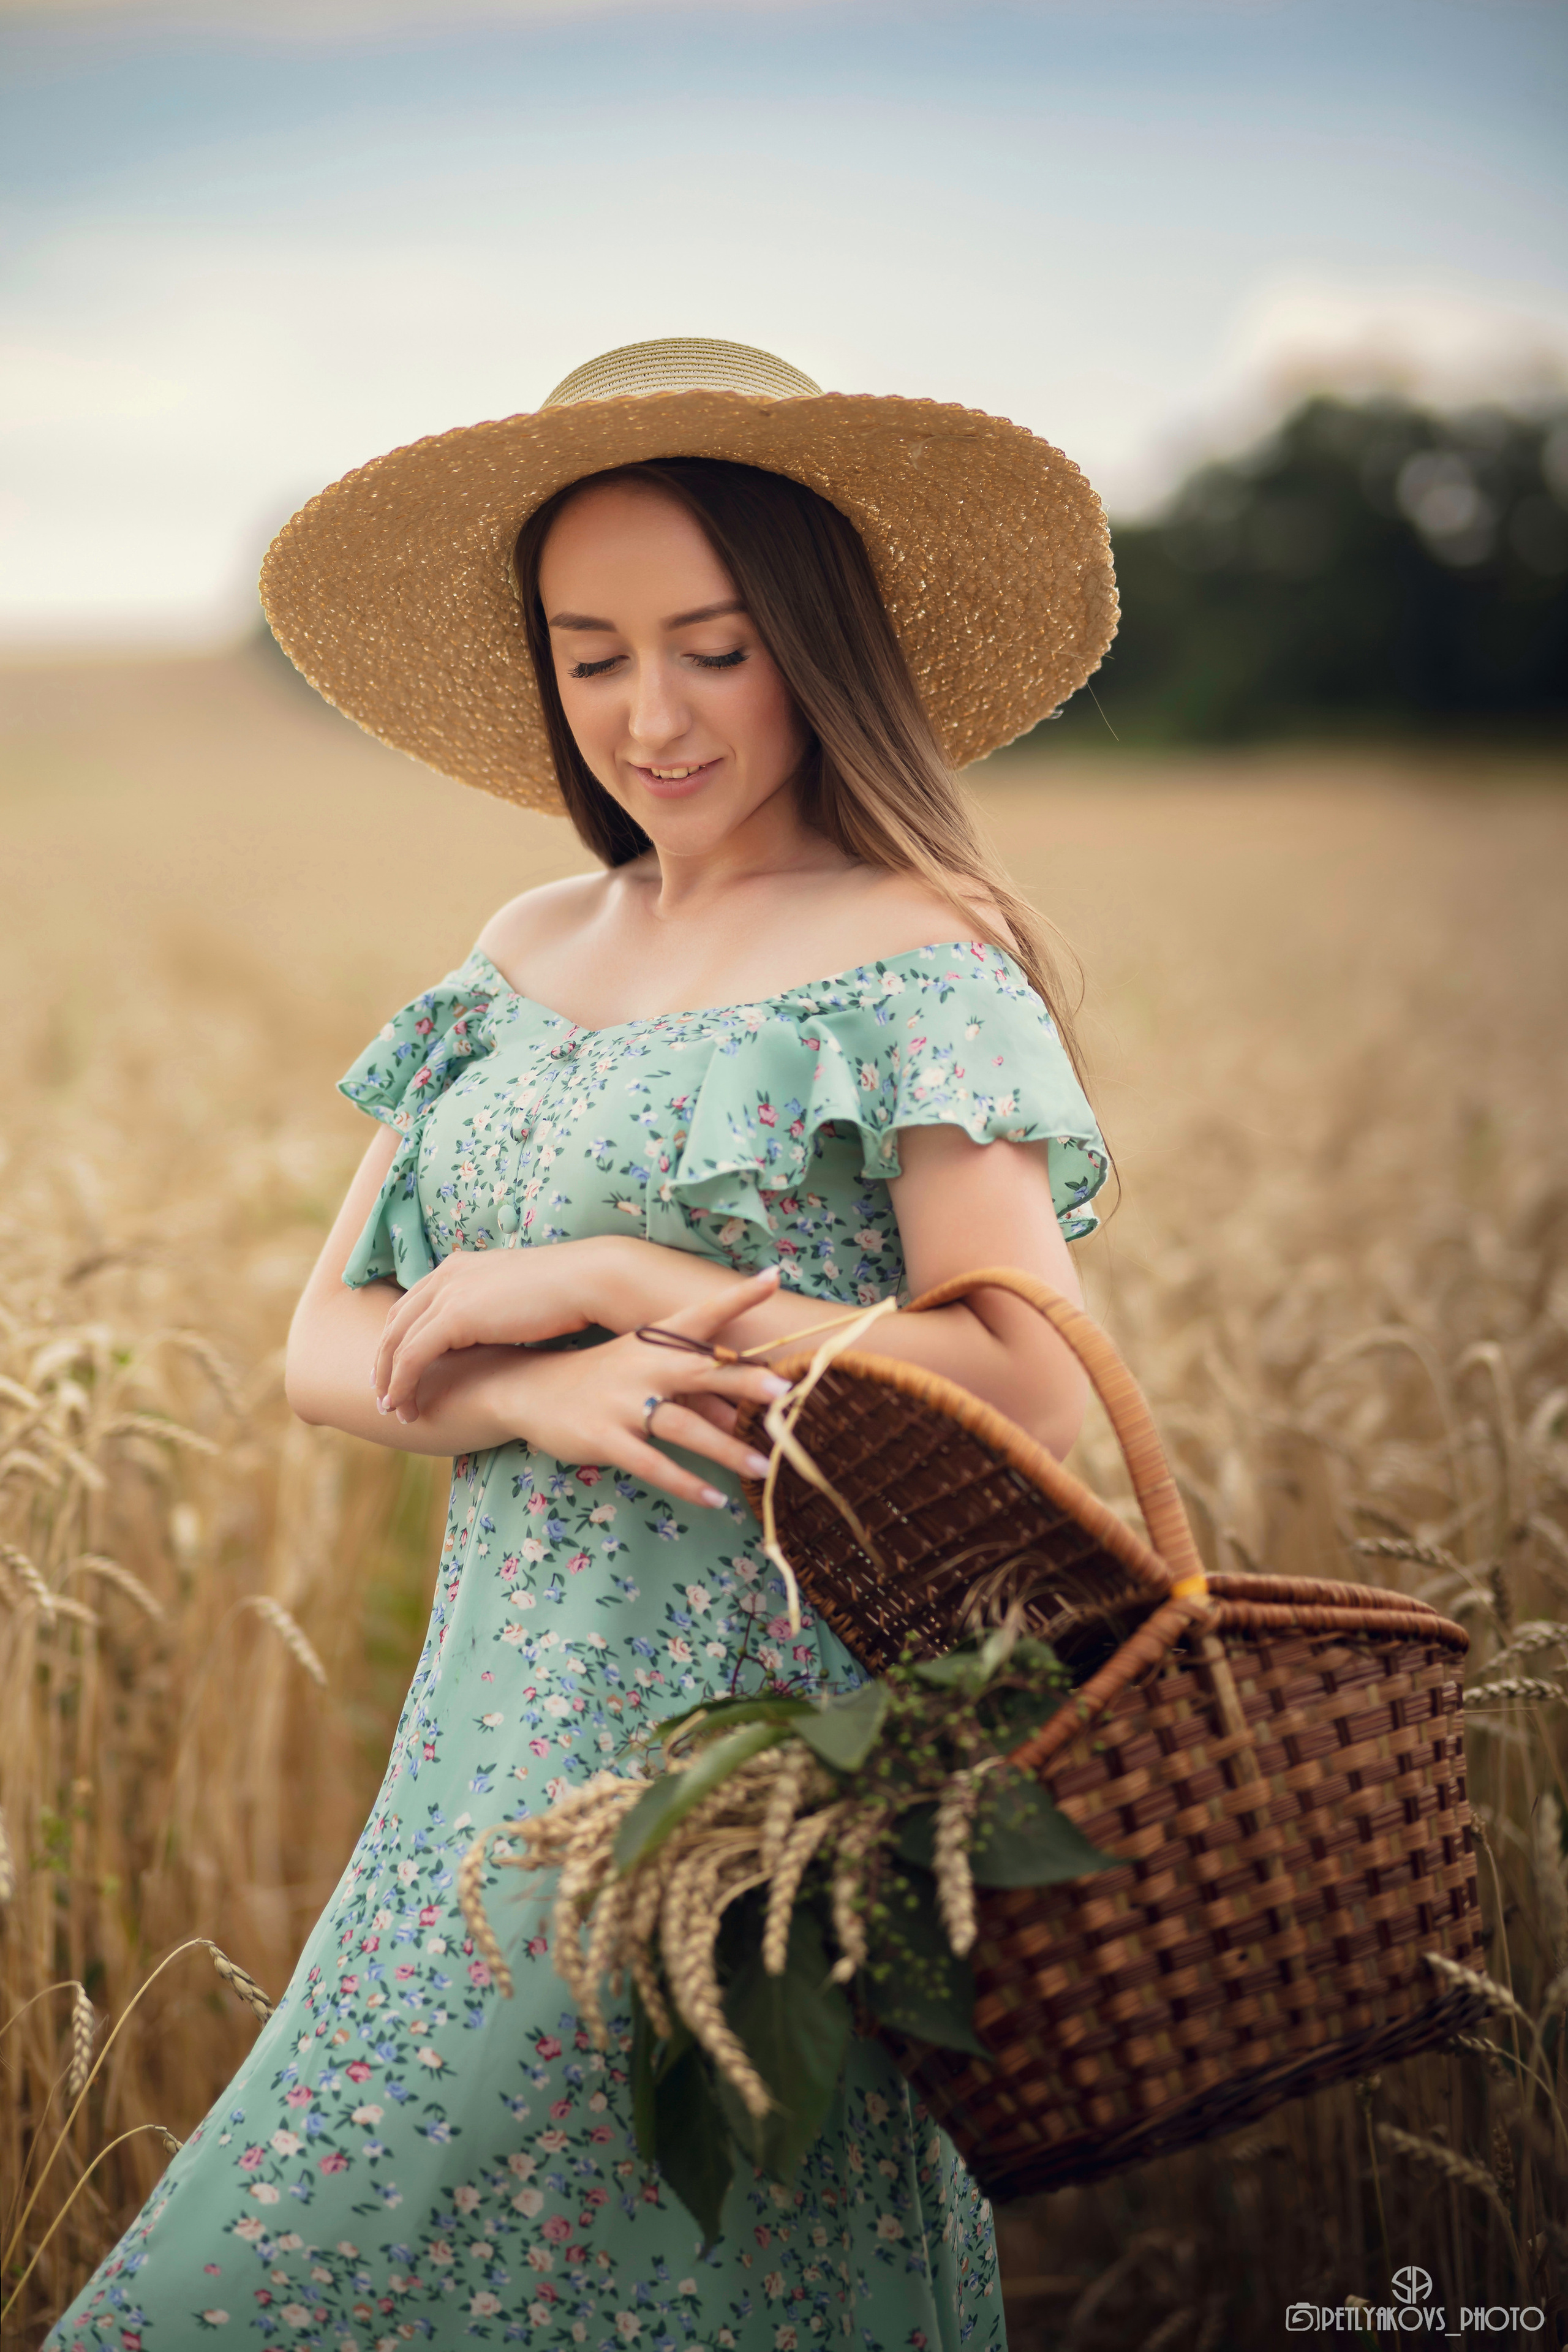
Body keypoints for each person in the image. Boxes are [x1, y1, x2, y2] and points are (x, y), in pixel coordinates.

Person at [53, 339, 1115, 2351]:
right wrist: (540, 1387)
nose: (650, 715)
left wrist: (633, 1281)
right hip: (488, 1757)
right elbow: (325, 1340)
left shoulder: (918, 955)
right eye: (591, 651)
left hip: (760, 1776)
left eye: (712, 648)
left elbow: (1035, 1381)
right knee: (312, 2242)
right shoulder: (521, 948)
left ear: (818, 641)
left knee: (707, 2262)